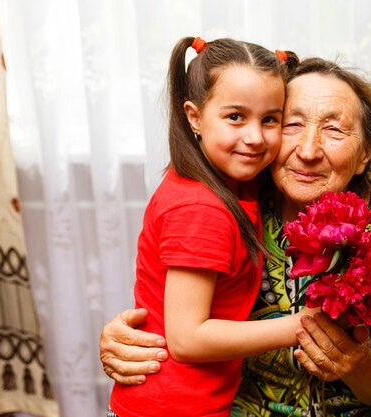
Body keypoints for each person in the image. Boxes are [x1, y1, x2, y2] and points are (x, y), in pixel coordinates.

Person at [101, 56, 371, 417]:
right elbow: (176, 310)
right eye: (291, 124)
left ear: (365, 154)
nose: (308, 152)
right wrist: (118, 335)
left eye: (335, 131)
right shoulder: (233, 202)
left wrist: (357, 366)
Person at [108, 37, 320, 417]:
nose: (255, 137)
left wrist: (367, 179)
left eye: (270, 119)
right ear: (194, 117)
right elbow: (188, 339)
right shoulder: (200, 207)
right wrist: (303, 323)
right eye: (235, 117)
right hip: (172, 408)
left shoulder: (232, 179)